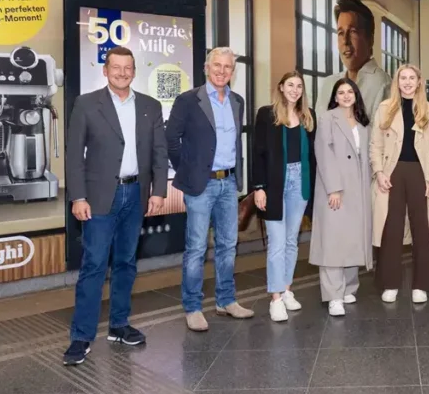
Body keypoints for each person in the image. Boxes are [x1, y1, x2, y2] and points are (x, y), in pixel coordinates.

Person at [63, 46, 168, 366]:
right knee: (94, 266)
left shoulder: (150, 106)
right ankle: (81, 336)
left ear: (134, 72)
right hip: (98, 198)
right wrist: (78, 197)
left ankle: (119, 325)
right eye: (116, 67)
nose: (122, 73)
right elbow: (73, 155)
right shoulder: (86, 104)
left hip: (136, 194)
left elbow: (159, 153)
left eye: (128, 68)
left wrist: (159, 191)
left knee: (126, 263)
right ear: (105, 71)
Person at [167, 46, 253, 332]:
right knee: (196, 248)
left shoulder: (237, 101)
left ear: (233, 71)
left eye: (228, 67)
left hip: (229, 183)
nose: (222, 71)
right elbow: (171, 140)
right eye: (217, 65)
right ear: (206, 67)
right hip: (200, 185)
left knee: (228, 245)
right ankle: (192, 307)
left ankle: (226, 300)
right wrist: (188, 171)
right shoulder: (188, 100)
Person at [371, 64, 429, 303]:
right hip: (392, 172)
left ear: (419, 81)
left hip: (420, 173)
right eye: (403, 78)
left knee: (422, 228)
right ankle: (390, 283)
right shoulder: (384, 109)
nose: (407, 82)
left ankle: (421, 284)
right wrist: (379, 172)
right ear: (397, 82)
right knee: (390, 228)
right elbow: (375, 145)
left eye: (411, 78)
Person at [252, 72, 317, 322]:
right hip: (273, 184)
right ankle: (275, 298)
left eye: (299, 86)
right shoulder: (266, 115)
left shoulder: (307, 116)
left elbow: (311, 156)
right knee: (277, 243)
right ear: (281, 87)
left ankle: (287, 289)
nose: (295, 89)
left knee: (291, 241)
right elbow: (257, 152)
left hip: (299, 183)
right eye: (290, 85)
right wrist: (259, 187)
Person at [309, 78, 373, 317]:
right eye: (341, 92)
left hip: (360, 188)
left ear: (356, 95)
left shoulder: (363, 122)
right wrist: (333, 188)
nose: (346, 96)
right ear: (335, 97)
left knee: (354, 238)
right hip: (336, 187)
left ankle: (348, 287)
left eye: (350, 92)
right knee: (333, 242)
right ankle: (333, 295)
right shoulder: (327, 118)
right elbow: (323, 153)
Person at [316, 0, 391, 115]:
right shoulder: (328, 85)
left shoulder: (383, 85)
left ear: (370, 40)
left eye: (352, 31)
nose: (345, 41)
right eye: (341, 33)